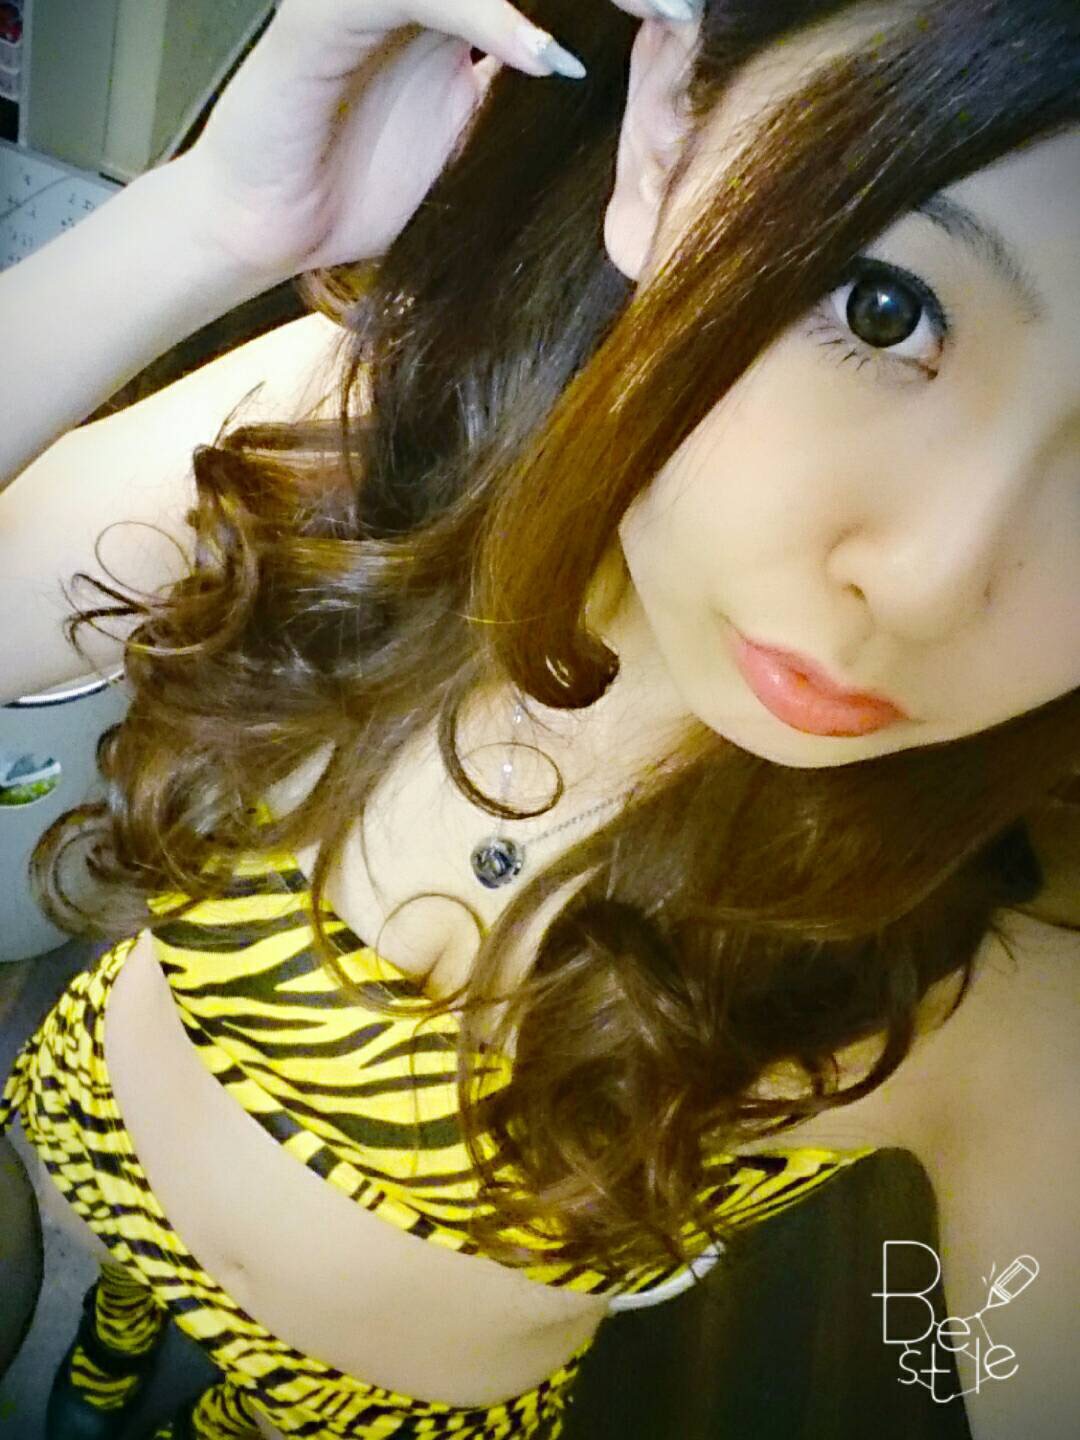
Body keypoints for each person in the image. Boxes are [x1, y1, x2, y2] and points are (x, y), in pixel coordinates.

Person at [0, 0, 1077, 1437]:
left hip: (376, 1413)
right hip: (94, 1138)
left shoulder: (992, 985)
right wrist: (211, 221)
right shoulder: (364, 450)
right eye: (884, 304)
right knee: (88, 1355)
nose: (933, 583)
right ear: (665, 139)